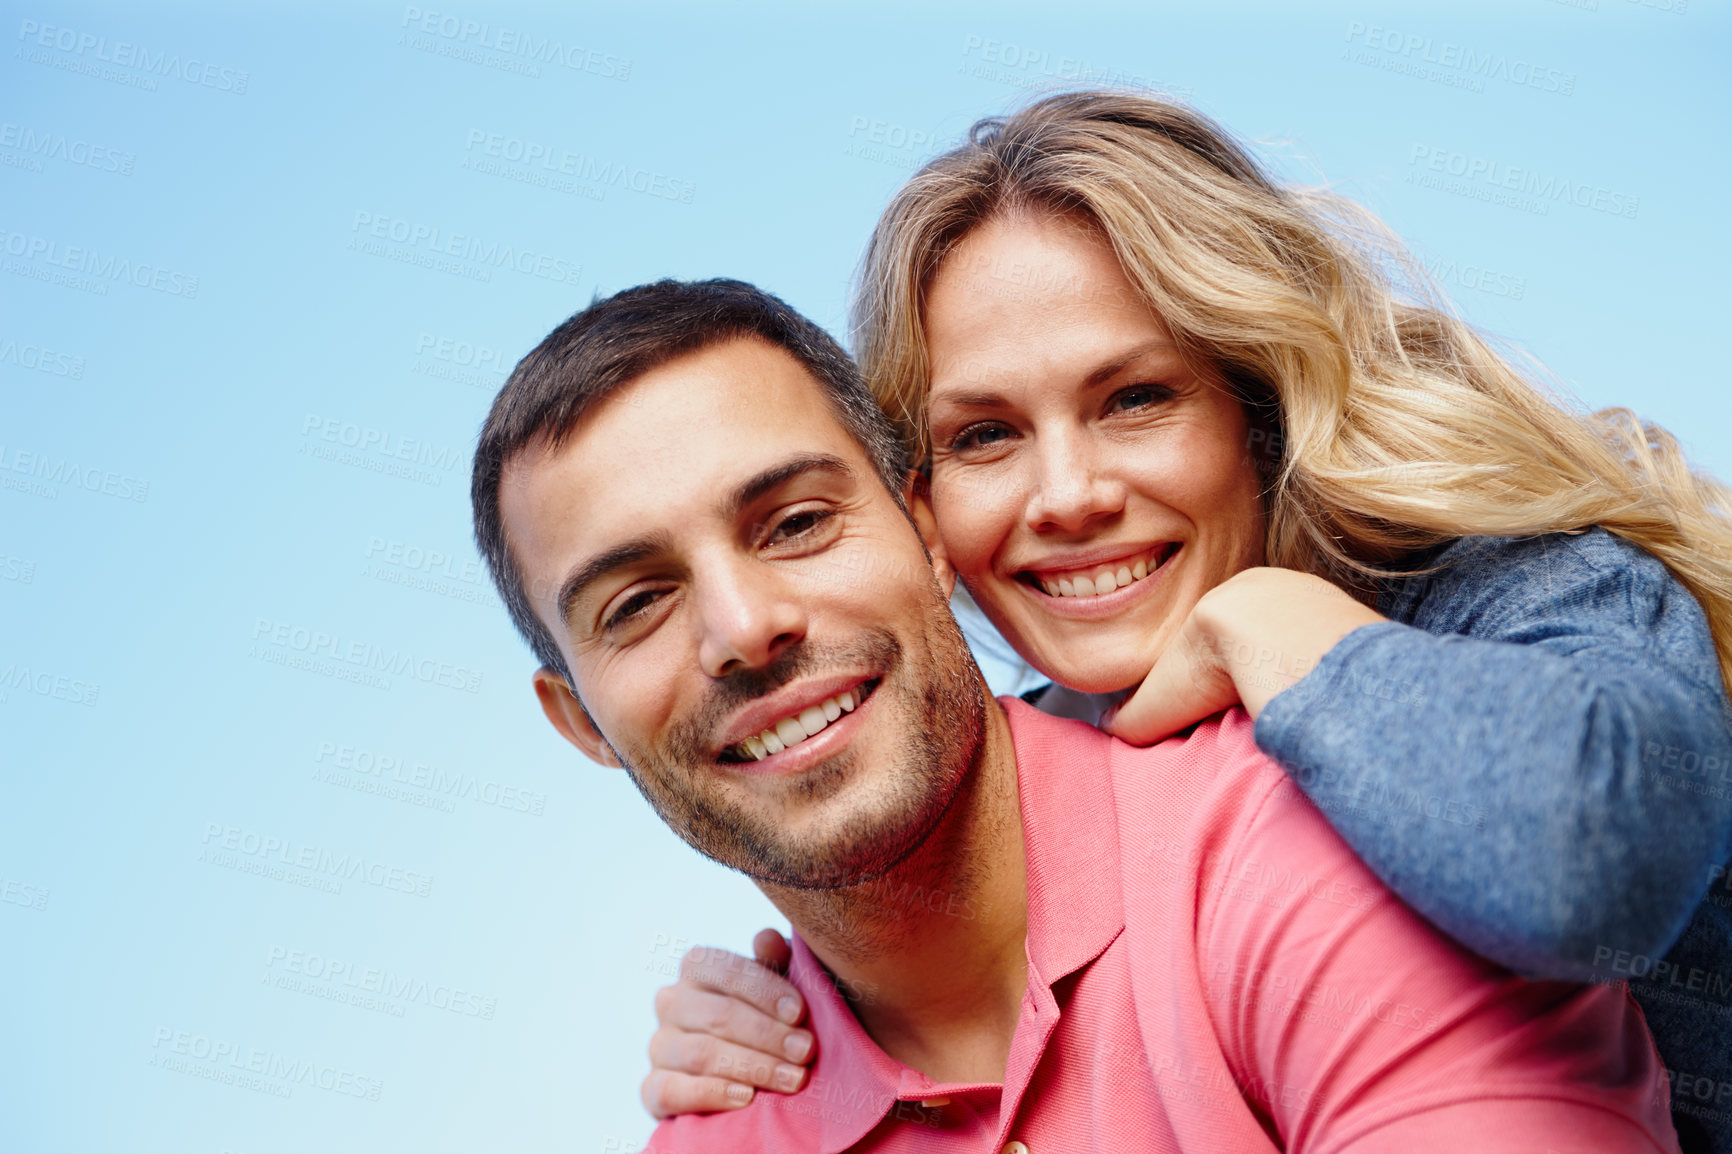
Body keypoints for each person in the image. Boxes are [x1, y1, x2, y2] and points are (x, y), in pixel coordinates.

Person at [641, 92, 1732, 1149]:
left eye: (1134, 398)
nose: (1065, 495)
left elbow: (1590, 871)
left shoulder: (1535, 588)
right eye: (984, 435)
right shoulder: (1058, 743)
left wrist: (1284, 631)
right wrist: (800, 1019)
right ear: (919, 501)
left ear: (1259, 412)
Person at [470, 276, 1682, 1151]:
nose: (744, 628)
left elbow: (1585, 837)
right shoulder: (727, 1105)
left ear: (922, 535)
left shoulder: (1346, 814)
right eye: (635, 602)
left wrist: (1277, 625)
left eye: (795, 523)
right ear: (578, 723)